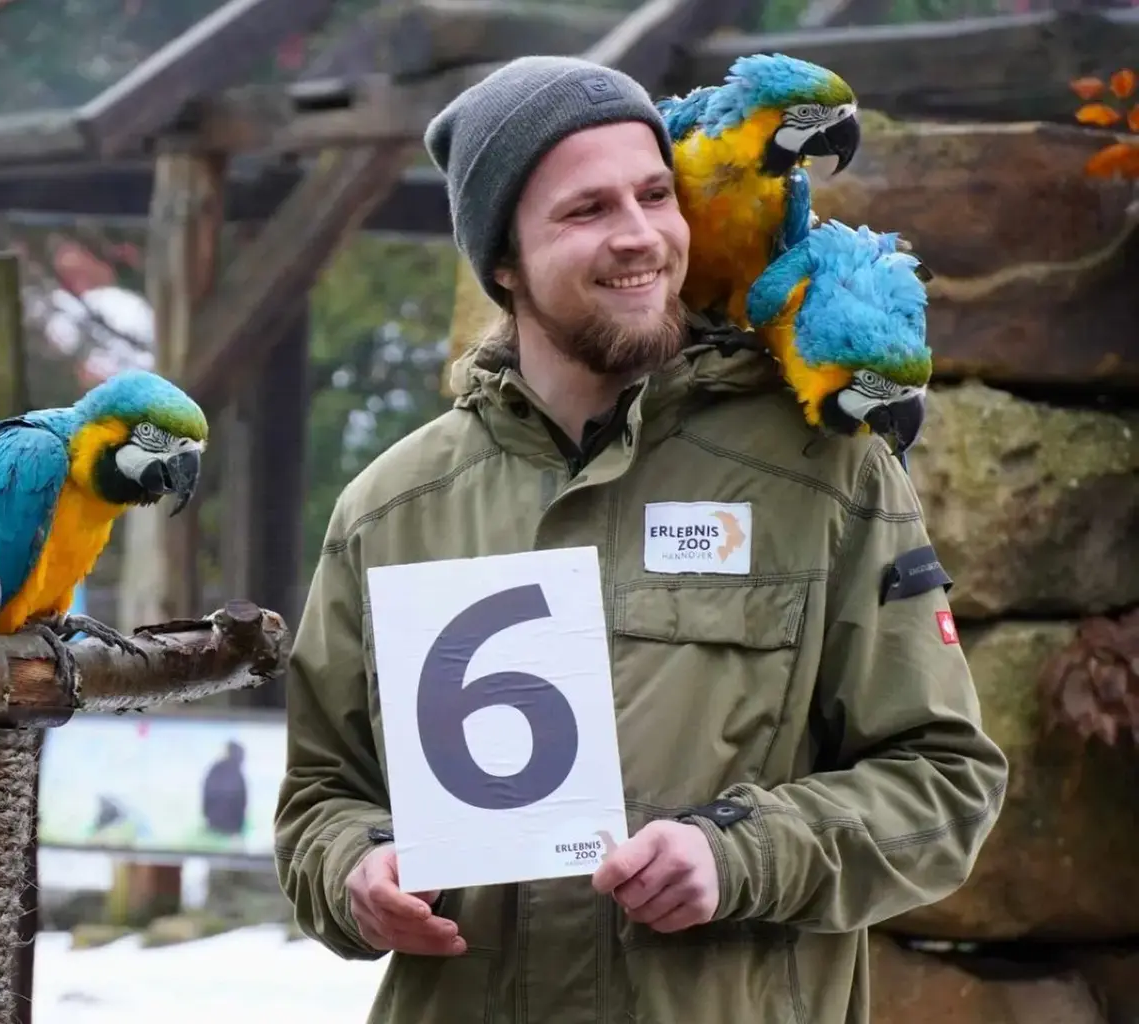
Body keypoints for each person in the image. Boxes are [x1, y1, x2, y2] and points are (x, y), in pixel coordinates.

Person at [271, 56, 1007, 1023]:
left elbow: (947, 785)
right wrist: (358, 872)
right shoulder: (392, 508)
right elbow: (320, 802)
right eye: (585, 212)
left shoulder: (825, 471)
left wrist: (739, 853)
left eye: (656, 194)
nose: (641, 237)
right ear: (502, 263)